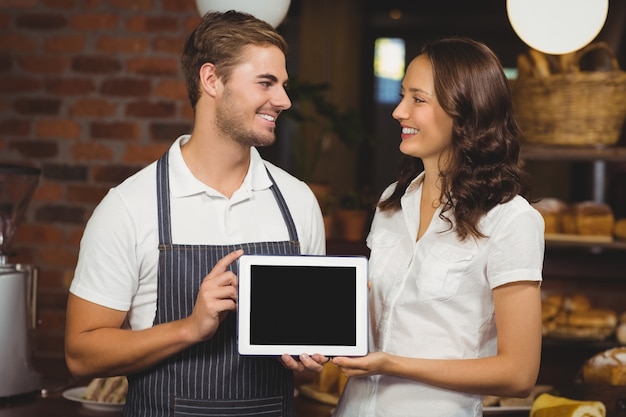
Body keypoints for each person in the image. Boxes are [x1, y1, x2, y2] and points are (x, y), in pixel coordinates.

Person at [65, 10, 327, 417]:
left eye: (283, 85)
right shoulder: (129, 206)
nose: (284, 100)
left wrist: (311, 355)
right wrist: (190, 327)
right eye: (265, 83)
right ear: (211, 80)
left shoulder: (297, 202)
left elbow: (310, 367)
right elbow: (81, 354)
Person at [331, 37, 545, 417]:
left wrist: (393, 364)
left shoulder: (512, 220)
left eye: (418, 99)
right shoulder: (392, 202)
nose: (399, 111)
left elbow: (518, 373)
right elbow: (377, 325)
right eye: (402, 96)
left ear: (465, 112)